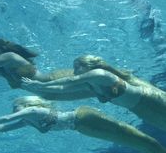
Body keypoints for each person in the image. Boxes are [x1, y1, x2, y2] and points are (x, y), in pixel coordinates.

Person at [0, 96, 166, 153]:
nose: (15, 110)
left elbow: (8, 118)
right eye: (15, 108)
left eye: (17, 106)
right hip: (81, 127)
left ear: (25, 104)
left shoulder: (33, 110)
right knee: (128, 139)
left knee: (126, 133)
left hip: (83, 116)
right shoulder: (29, 121)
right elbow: (4, 128)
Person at [21, 55, 166, 132]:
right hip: (139, 109)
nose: (75, 71)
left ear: (87, 66)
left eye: (77, 67)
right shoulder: (92, 85)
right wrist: (41, 89)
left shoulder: (99, 73)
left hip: (148, 98)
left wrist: (41, 84)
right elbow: (62, 89)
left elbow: (72, 80)